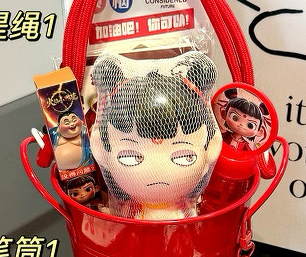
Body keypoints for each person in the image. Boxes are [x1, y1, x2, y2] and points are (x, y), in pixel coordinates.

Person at [90, 52, 221, 219]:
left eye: (184, 156)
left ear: (212, 148)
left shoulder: (188, 207)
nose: (157, 170)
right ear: (100, 149)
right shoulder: (127, 208)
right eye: (130, 157)